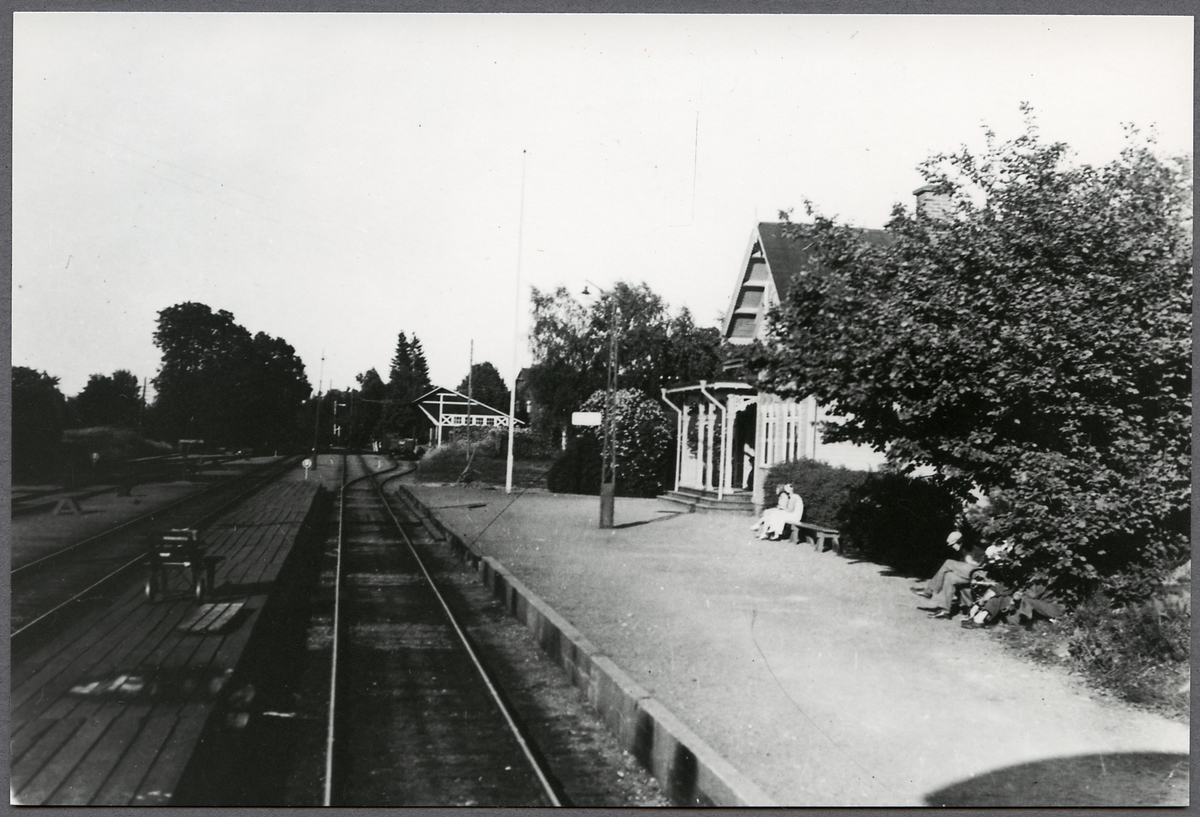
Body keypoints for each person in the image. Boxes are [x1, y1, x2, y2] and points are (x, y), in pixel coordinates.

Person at [910, 531, 988, 619]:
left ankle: (928, 591)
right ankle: (945, 611)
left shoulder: (968, 548)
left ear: (959, 542)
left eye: (952, 545)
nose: (952, 547)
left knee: (948, 563)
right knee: (949, 576)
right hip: (970, 574)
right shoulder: (963, 550)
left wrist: (969, 560)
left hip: (978, 573)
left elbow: (976, 564)